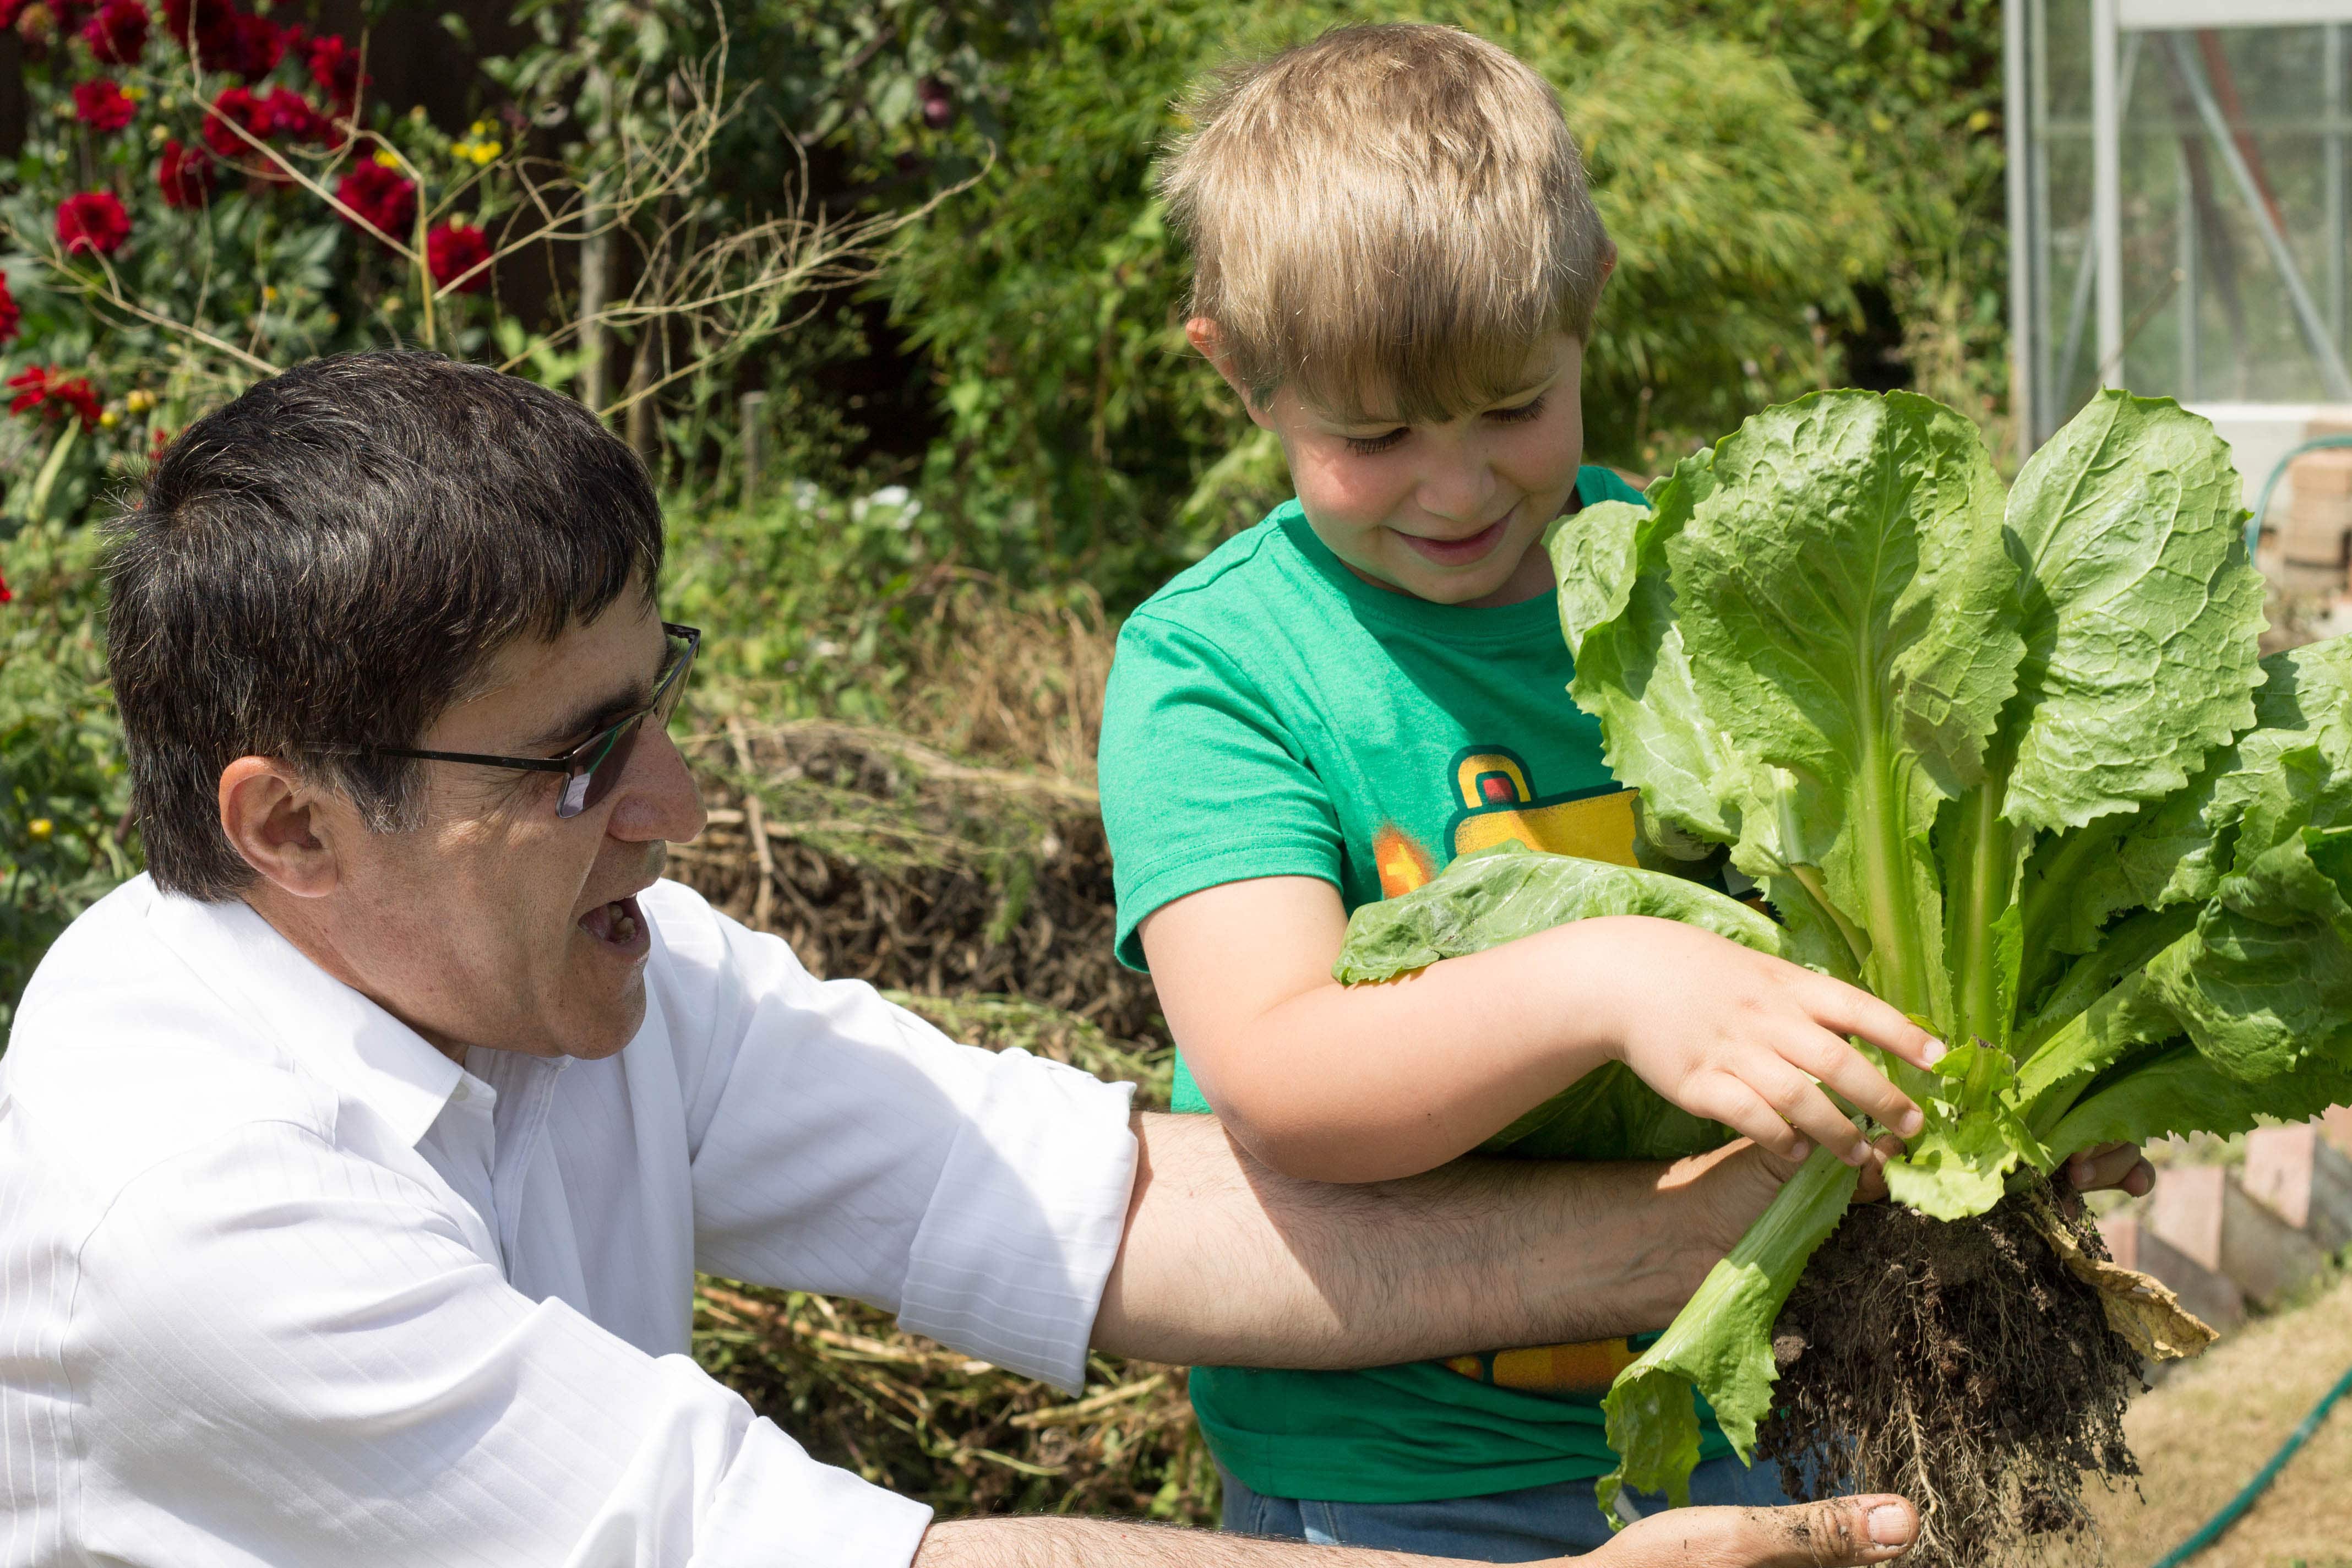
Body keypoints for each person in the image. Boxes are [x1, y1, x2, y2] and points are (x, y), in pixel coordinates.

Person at [0, 349, 1935, 1568]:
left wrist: (1754, 1224)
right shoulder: (192, 1214)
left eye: (651, 702)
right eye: (581, 756)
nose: (674, 802)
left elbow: (1098, 1208)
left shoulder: (588, 974)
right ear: (291, 829)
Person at [1096, 23, 2155, 1559]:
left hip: (1790, 1401)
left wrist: (2009, 1107)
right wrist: (1605, 981)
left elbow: (1863, 931)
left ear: (1588, 311)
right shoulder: (1220, 668)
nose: (1456, 487)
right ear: (1241, 375)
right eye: (1375, 437)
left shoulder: (1691, 581)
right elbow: (1282, 1079)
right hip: (1414, 1482)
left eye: (1513, 408)